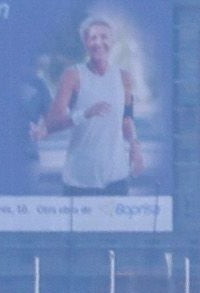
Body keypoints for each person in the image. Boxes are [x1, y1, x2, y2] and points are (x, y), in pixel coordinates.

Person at [40, 14, 140, 194]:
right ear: (86, 42)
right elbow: (52, 123)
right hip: (79, 180)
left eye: (104, 37)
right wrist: (85, 114)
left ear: (113, 41)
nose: (98, 43)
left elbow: (127, 120)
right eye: (93, 38)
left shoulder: (125, 78)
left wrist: (134, 146)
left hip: (116, 179)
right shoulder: (72, 76)